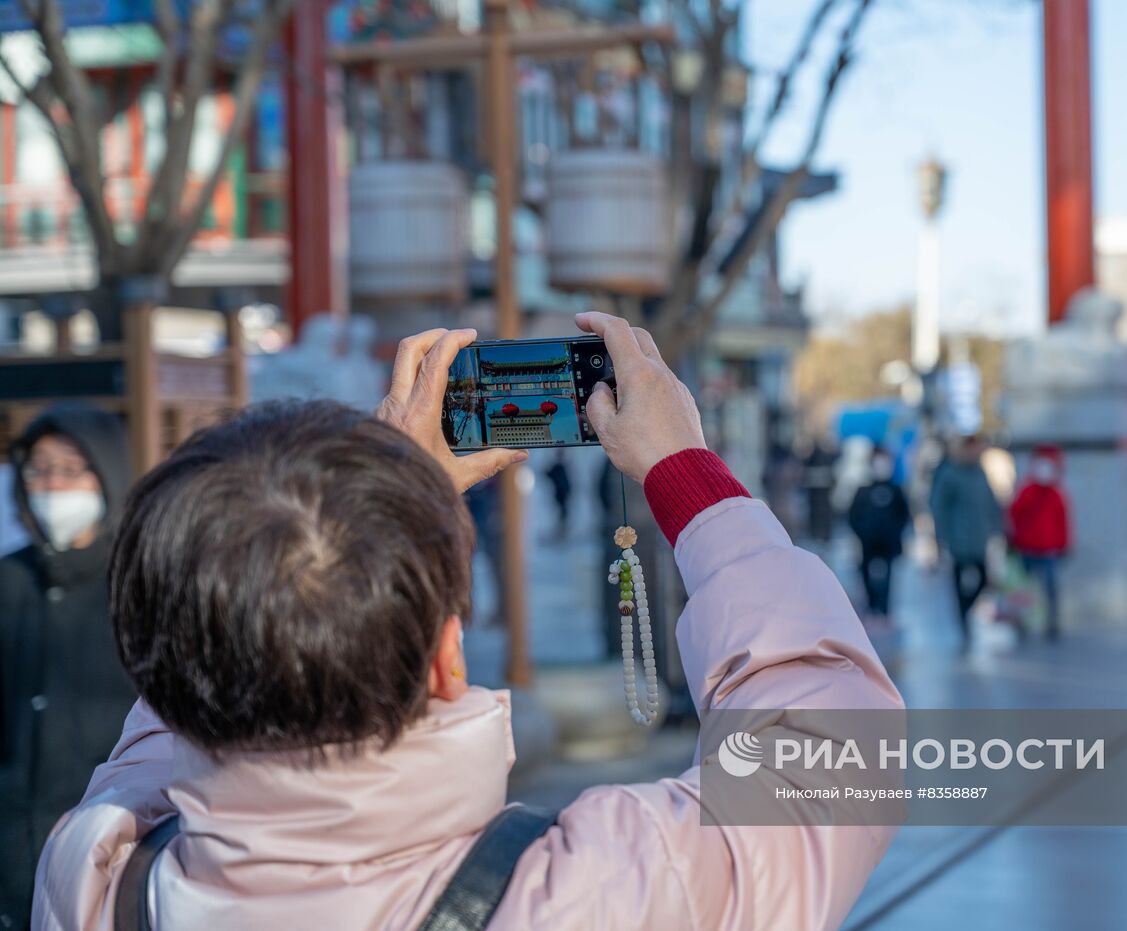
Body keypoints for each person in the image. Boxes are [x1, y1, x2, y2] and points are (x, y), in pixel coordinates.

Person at [31, 314, 903, 931]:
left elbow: (170, 706)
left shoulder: (98, 879)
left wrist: (372, 499)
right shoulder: (598, 891)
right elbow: (836, 752)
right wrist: (685, 470)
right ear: (448, 658)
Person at [1, 404, 137, 929]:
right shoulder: (10, 579)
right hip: (13, 854)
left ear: (107, 473)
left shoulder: (138, 583)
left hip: (110, 847)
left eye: (70, 469)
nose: (52, 486)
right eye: (38, 470)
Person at [931, 434, 1003, 648]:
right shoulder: (951, 474)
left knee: (983, 580)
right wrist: (941, 538)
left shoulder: (980, 473)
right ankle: (962, 617)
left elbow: (990, 503)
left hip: (979, 538)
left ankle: (967, 610)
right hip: (959, 539)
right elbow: (939, 506)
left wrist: (997, 529)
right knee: (959, 582)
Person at [1007, 445, 1071, 639]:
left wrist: (1063, 544)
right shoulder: (1027, 490)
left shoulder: (1056, 494)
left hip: (1049, 549)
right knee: (1024, 589)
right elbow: (1014, 514)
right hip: (1027, 547)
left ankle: (1052, 621)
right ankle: (1023, 621)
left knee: (1050, 588)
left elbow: (1063, 522)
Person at [847, 448, 910, 623]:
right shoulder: (863, 490)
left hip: (889, 543)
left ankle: (884, 608)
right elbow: (853, 515)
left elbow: (904, 515)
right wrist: (862, 533)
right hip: (867, 543)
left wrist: (895, 533)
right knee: (865, 572)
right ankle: (871, 605)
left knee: (888, 576)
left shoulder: (896, 490)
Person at [800, 436, 838, 543]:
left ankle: (820, 535)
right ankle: (820, 535)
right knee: (820, 514)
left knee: (820, 514)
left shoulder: (819, 458)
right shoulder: (821, 457)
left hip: (819, 495)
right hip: (819, 495)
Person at [543, 451, 572, 539]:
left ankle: (562, 531)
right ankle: (560, 532)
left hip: (563, 495)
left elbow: (567, 483)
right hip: (560, 495)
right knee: (560, 514)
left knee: (563, 514)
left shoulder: (564, 467)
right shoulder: (558, 467)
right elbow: (548, 474)